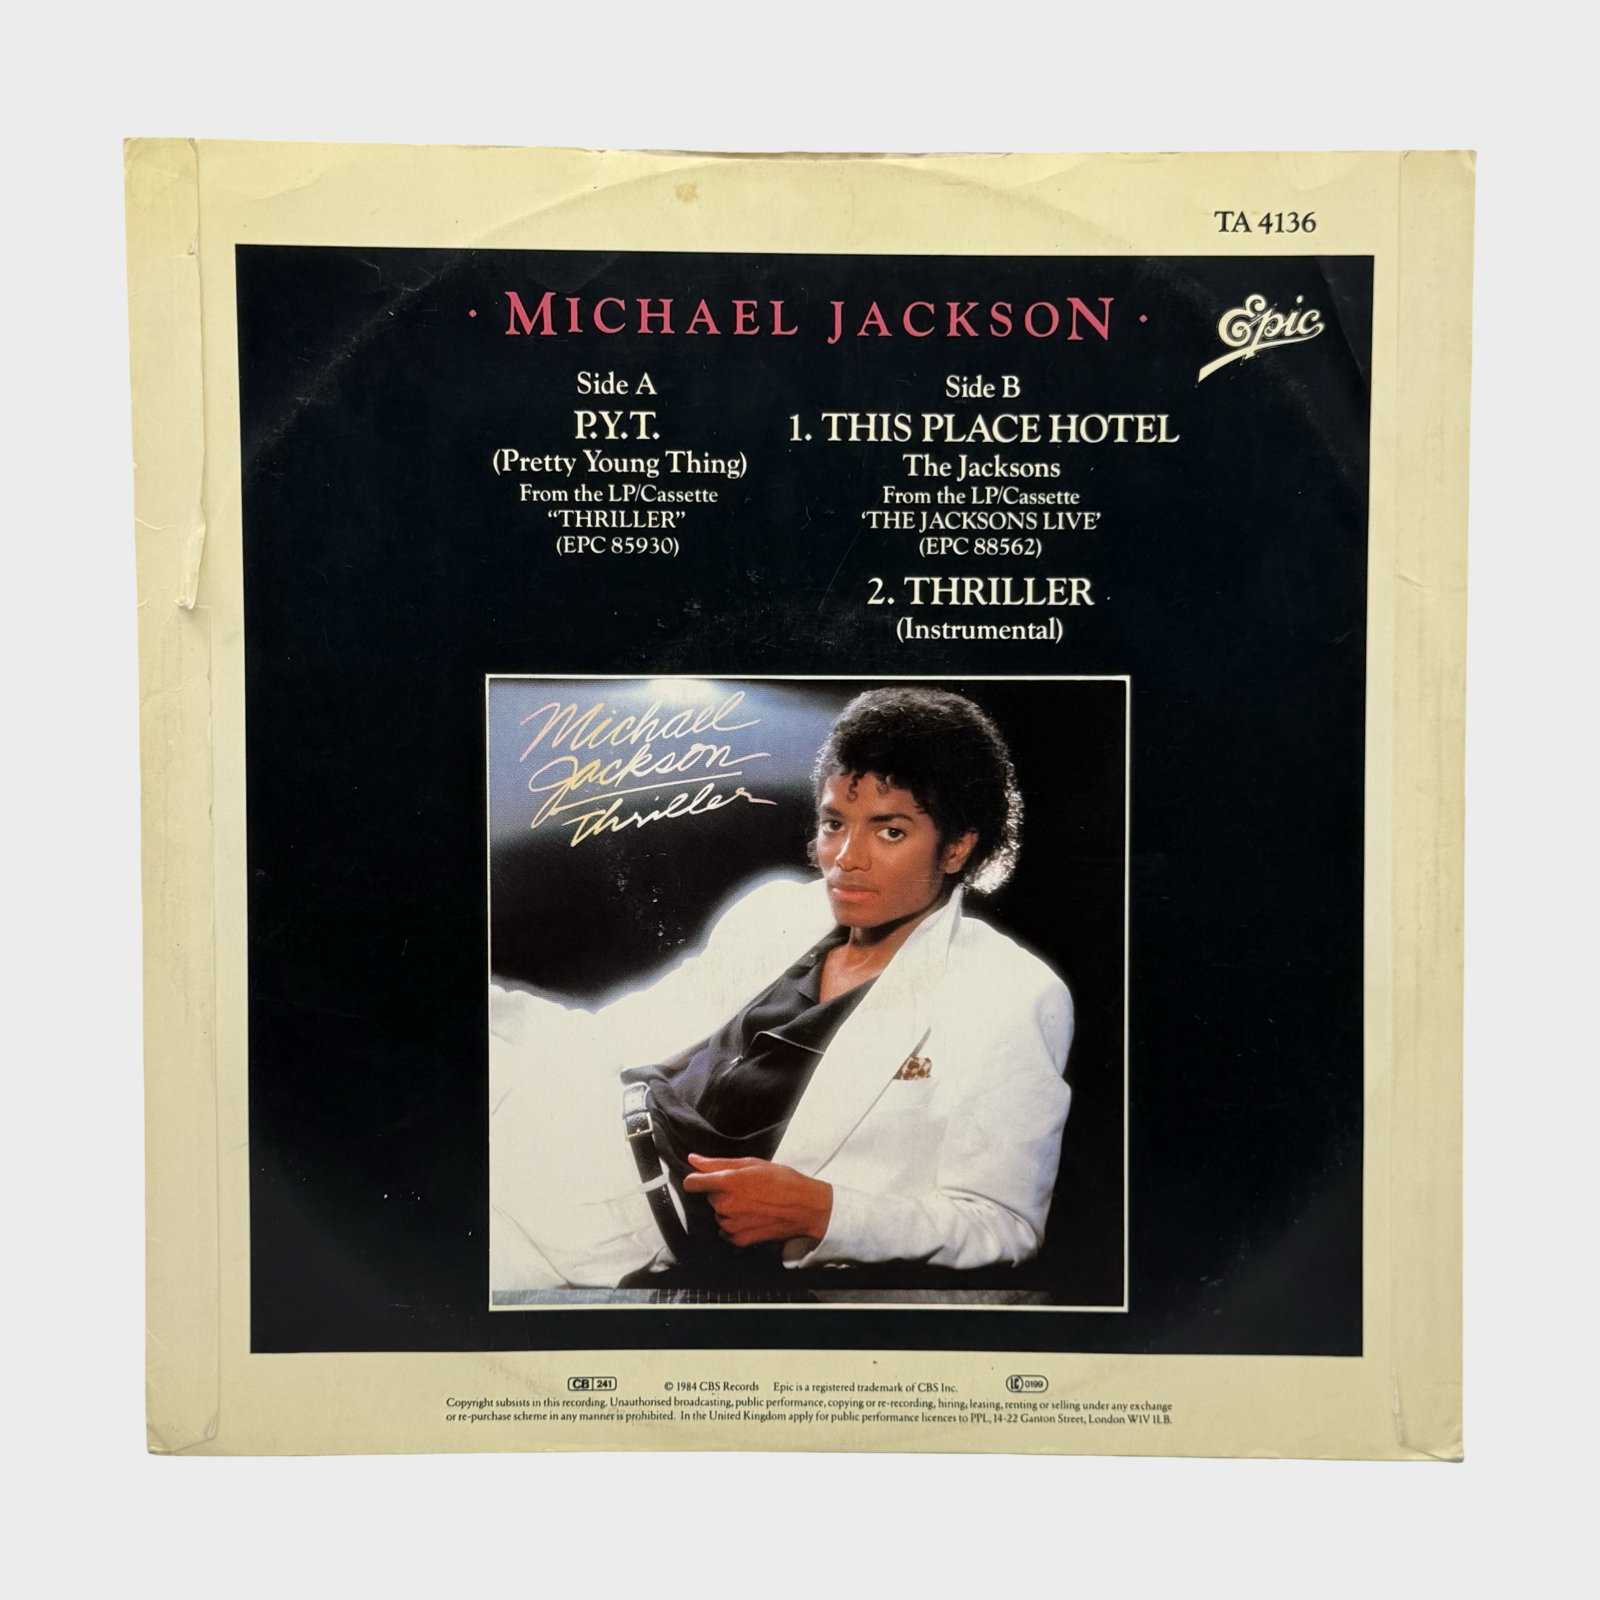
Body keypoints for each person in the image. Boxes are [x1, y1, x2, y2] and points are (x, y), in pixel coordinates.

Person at [489, 687, 1074, 1292]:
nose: (846, 858)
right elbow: (615, 1035)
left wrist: (825, 1211)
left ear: (957, 847)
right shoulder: (779, 911)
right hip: (565, 1119)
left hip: (613, 1226)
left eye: (890, 832)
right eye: (834, 824)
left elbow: (1002, 1225)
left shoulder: (1009, 993)